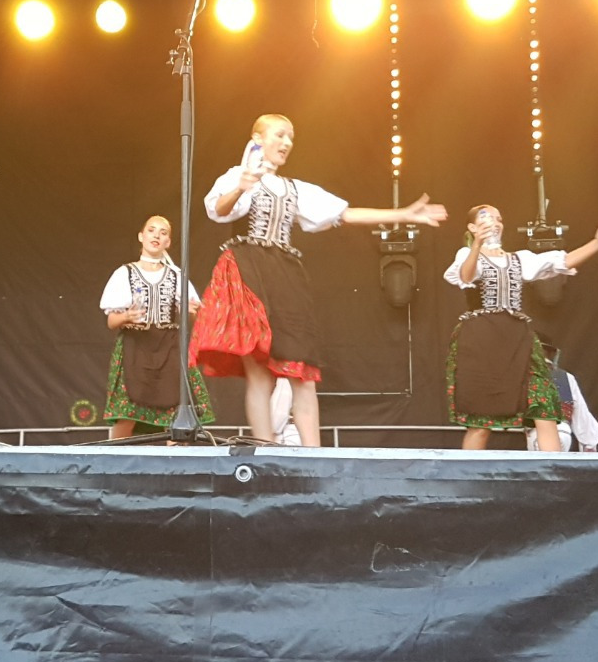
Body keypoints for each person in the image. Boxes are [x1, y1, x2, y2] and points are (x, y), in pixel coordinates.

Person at [191, 113, 447, 447]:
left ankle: (315, 454)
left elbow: (345, 214)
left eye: (291, 137)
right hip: (249, 269)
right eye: (280, 135)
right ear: (257, 139)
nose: (286, 142)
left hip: (284, 274)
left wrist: (402, 214)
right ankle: (264, 449)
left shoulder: (296, 189)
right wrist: (242, 185)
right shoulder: (238, 177)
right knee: (260, 374)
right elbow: (219, 210)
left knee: (302, 371)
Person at [444, 205, 598, 451]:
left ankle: (551, 470)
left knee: (544, 407)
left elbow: (562, 261)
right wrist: (476, 244)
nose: (495, 223)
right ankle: (466, 475)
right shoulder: (466, 254)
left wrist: (597, 243)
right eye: (487, 218)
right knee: (480, 420)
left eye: (499, 218)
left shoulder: (520, 259)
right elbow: (466, 276)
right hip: (482, 339)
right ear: (472, 227)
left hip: (517, 338)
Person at [99, 215, 215, 439]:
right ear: (141, 236)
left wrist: (190, 312)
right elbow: (111, 321)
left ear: (168, 242)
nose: (157, 236)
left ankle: (174, 458)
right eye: (151, 231)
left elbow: (194, 318)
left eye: (163, 233)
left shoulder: (176, 276)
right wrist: (126, 317)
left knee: (174, 415)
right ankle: (113, 457)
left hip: (168, 348)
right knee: (126, 414)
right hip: (135, 348)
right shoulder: (124, 273)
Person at [524, 357, 598, 453]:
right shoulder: (566, 377)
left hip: (538, 433)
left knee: (543, 461)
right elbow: (580, 411)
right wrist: (590, 443)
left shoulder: (524, 376)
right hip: (564, 431)